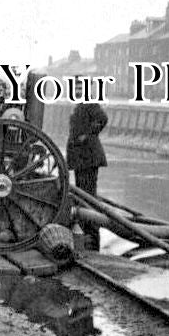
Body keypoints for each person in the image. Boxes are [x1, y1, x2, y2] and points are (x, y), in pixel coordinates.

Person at [66, 80, 108, 251]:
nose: (76, 90)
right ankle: (87, 232)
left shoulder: (90, 102)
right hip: (82, 158)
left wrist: (88, 135)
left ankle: (91, 237)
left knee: (88, 196)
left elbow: (103, 119)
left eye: (79, 88)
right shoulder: (81, 104)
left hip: (88, 157)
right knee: (84, 194)